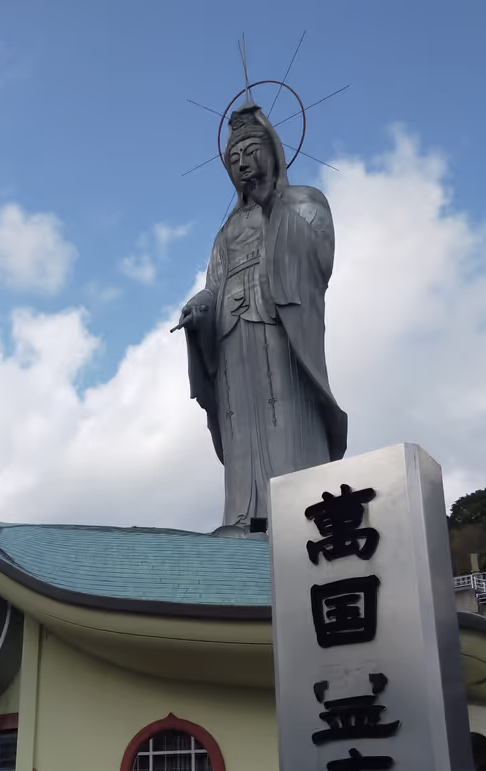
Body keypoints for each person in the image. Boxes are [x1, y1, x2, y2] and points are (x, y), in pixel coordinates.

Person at [177, 101, 347, 536]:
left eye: (251, 151)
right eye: (234, 159)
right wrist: (201, 305)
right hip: (232, 335)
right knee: (240, 420)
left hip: (279, 324)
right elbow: (214, 282)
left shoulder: (304, 202)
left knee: (284, 412)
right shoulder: (227, 230)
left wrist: (275, 207)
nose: (243, 164)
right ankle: (241, 514)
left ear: (273, 149)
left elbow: (317, 260)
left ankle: (299, 508)